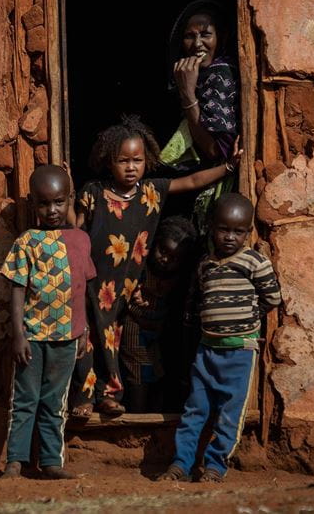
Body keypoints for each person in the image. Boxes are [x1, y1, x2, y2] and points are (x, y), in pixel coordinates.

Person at [69, 115, 241, 419]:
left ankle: (109, 396)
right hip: (93, 283)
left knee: (113, 341)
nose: (131, 167)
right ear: (109, 162)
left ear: (147, 159)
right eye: (123, 160)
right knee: (86, 340)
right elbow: (76, 234)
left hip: (124, 289)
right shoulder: (94, 194)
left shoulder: (150, 193)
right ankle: (83, 399)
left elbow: (191, 181)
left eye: (137, 160)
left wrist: (228, 168)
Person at [156, 193, 281, 483]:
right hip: (206, 351)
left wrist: (246, 318)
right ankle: (181, 464)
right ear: (212, 227)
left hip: (239, 352)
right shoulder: (206, 265)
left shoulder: (254, 263)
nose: (229, 237)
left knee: (229, 415)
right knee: (194, 410)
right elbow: (200, 301)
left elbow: (271, 298)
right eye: (224, 229)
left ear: (248, 232)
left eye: (238, 232)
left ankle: (215, 466)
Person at [0, 165, 96, 480]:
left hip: (67, 337)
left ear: (70, 199)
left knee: (54, 402)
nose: (51, 210)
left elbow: (82, 289)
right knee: (25, 399)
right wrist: (18, 335)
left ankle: (52, 461)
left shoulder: (81, 240)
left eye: (58, 202)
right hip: (33, 336)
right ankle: (16, 460)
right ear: (32, 204)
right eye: (43, 204)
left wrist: (83, 331)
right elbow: (17, 290)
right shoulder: (26, 241)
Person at [161, 0, 240, 230]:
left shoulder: (220, 75)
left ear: (222, 38)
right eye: (189, 36)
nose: (197, 44)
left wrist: (187, 94)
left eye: (206, 34)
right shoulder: (201, 77)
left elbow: (216, 150)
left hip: (223, 190)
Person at [120, 216, 197, 413]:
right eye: (163, 251)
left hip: (158, 332)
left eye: (174, 258)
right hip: (134, 328)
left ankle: (152, 416)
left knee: (158, 373)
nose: (166, 260)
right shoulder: (139, 269)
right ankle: (137, 418)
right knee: (139, 371)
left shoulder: (179, 279)